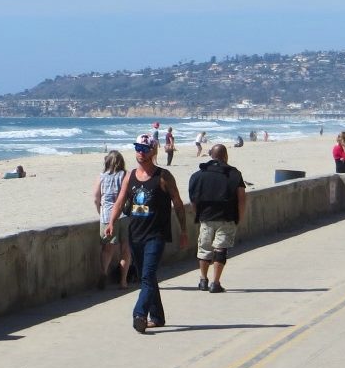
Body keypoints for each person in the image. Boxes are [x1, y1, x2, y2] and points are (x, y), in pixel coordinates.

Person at [104, 134, 189, 334]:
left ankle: (139, 314)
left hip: (156, 235)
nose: (140, 153)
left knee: (148, 275)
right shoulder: (130, 175)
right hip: (135, 234)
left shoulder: (163, 176)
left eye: (144, 149)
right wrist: (111, 222)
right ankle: (157, 317)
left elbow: (177, 203)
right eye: (137, 148)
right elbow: (119, 201)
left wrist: (183, 230)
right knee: (146, 277)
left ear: (153, 151)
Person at [189, 143, 246, 292]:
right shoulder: (234, 174)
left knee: (204, 249)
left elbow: (193, 200)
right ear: (225, 156)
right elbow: (241, 198)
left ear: (211, 155)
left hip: (206, 217)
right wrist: (240, 216)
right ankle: (215, 282)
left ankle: (203, 280)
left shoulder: (197, 175)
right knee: (220, 249)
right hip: (227, 216)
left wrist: (197, 215)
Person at [93, 150, 131, 288]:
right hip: (125, 216)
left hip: (107, 216)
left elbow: (96, 198)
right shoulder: (126, 175)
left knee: (108, 248)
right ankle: (123, 281)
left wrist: (100, 211)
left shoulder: (101, 177)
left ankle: (103, 272)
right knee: (126, 249)